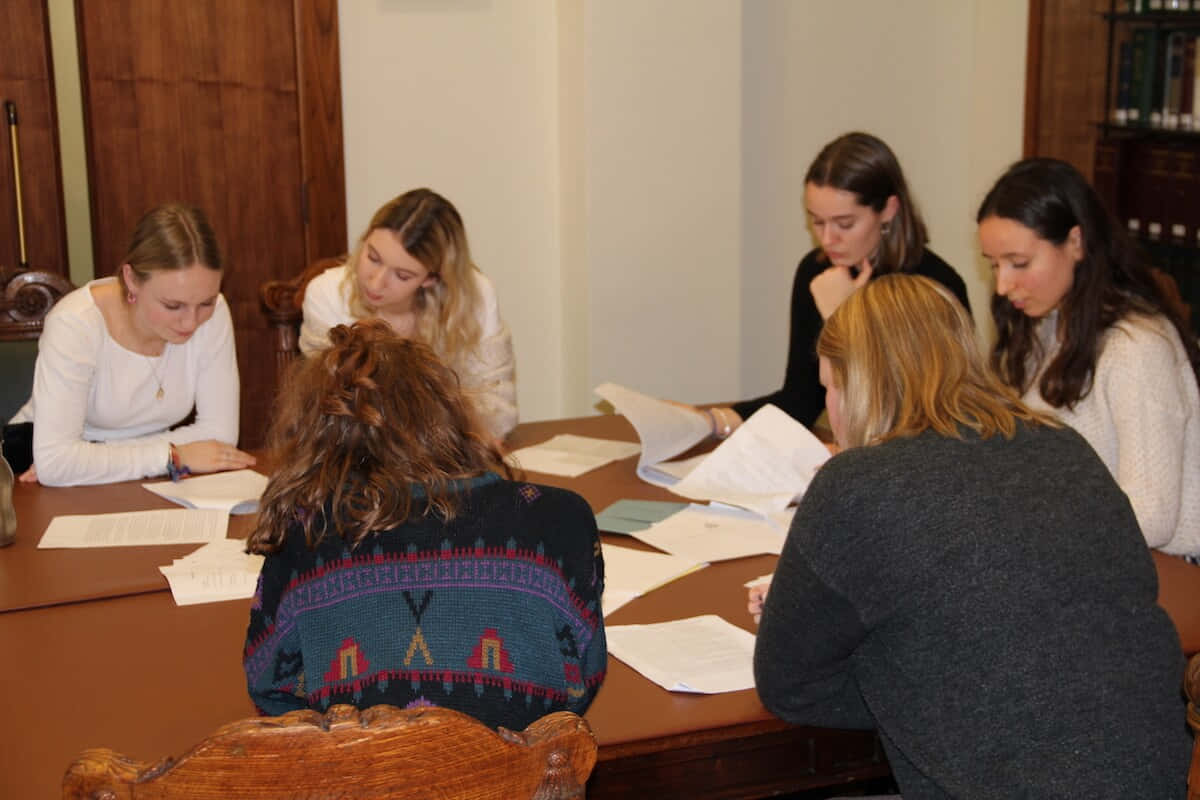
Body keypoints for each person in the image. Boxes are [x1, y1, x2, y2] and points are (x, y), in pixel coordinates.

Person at [751, 274, 1188, 799]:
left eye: (829, 387)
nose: (831, 409)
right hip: (1157, 773)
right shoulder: (1064, 446)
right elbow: (1122, 596)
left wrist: (918, 678)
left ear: (859, 383)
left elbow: (789, 689)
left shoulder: (858, 485)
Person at [243, 320, 605, 731]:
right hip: (523, 784)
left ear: (316, 441)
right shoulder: (560, 519)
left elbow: (271, 690)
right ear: (449, 412)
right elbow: (581, 684)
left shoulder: (305, 539)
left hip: (359, 782)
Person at [978, 157, 1200, 559]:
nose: (1002, 284)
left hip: (1164, 570)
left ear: (1076, 243)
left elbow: (1150, 518)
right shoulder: (1043, 327)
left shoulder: (1136, 349)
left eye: (1019, 263)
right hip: (1090, 556)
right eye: (993, 265)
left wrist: (1026, 523)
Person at [701, 132, 970, 440]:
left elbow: (918, 416)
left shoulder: (935, 284)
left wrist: (841, 315)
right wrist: (710, 422)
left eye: (844, 224)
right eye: (816, 221)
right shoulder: (816, 271)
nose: (828, 239)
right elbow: (802, 398)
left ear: (888, 210)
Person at [5, 204, 253, 487]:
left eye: (205, 303)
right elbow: (55, 464)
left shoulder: (215, 313)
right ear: (132, 279)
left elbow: (220, 436)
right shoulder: (75, 323)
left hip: (140, 478)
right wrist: (174, 455)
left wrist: (87, 459)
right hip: (31, 478)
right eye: (173, 305)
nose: (190, 322)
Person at [299, 188, 518, 440]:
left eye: (402, 275)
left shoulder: (475, 295)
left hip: (449, 459)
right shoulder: (327, 295)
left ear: (432, 278)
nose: (376, 282)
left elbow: (497, 412)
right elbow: (326, 414)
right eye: (372, 257)